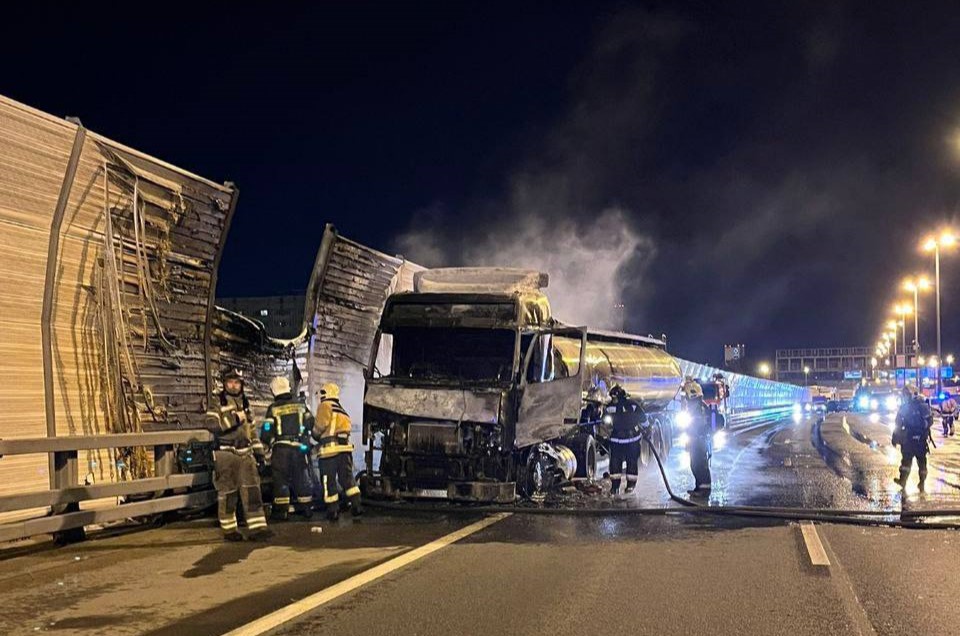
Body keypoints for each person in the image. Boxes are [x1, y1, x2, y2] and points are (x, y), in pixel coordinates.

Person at [212, 368, 269, 541]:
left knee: (252, 491)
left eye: (237, 382)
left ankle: (258, 528)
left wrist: (259, 453)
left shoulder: (245, 403)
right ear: (224, 384)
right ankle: (229, 530)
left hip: (246, 453)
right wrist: (235, 419)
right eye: (230, 382)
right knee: (228, 493)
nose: (233, 385)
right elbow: (212, 424)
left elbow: (251, 431)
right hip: (226, 453)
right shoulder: (217, 403)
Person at [261, 376, 315, 521]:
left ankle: (282, 511)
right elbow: (310, 423)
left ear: (273, 391)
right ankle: (307, 509)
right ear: (289, 388)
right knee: (302, 477)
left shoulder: (273, 408)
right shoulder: (301, 405)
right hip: (299, 448)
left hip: (281, 450)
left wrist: (270, 441)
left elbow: (266, 430)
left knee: (281, 479)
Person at [315, 383, 362, 520]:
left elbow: (320, 426)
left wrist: (313, 435)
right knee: (347, 479)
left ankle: (333, 510)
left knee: (328, 480)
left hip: (330, 452)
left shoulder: (325, 406)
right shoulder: (342, 411)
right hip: (345, 451)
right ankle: (357, 505)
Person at [892, 384, 934, 492]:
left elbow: (898, 424)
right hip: (920, 440)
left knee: (906, 462)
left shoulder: (904, 407)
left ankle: (903, 481)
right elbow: (930, 420)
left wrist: (895, 438)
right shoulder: (922, 405)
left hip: (908, 439)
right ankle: (922, 482)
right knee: (922, 462)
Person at [607, 385, 647, 495]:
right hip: (631, 440)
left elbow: (605, 422)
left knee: (617, 464)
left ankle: (617, 487)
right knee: (630, 463)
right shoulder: (633, 405)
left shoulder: (610, 407)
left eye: (613, 397)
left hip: (618, 441)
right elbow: (643, 418)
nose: (613, 400)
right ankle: (627, 487)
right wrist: (646, 428)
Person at [682, 380, 713, 496]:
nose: (686, 399)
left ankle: (704, 490)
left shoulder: (700, 408)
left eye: (687, 396)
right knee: (695, 464)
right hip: (695, 441)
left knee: (700, 465)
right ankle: (699, 487)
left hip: (699, 441)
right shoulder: (695, 407)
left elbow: (700, 425)